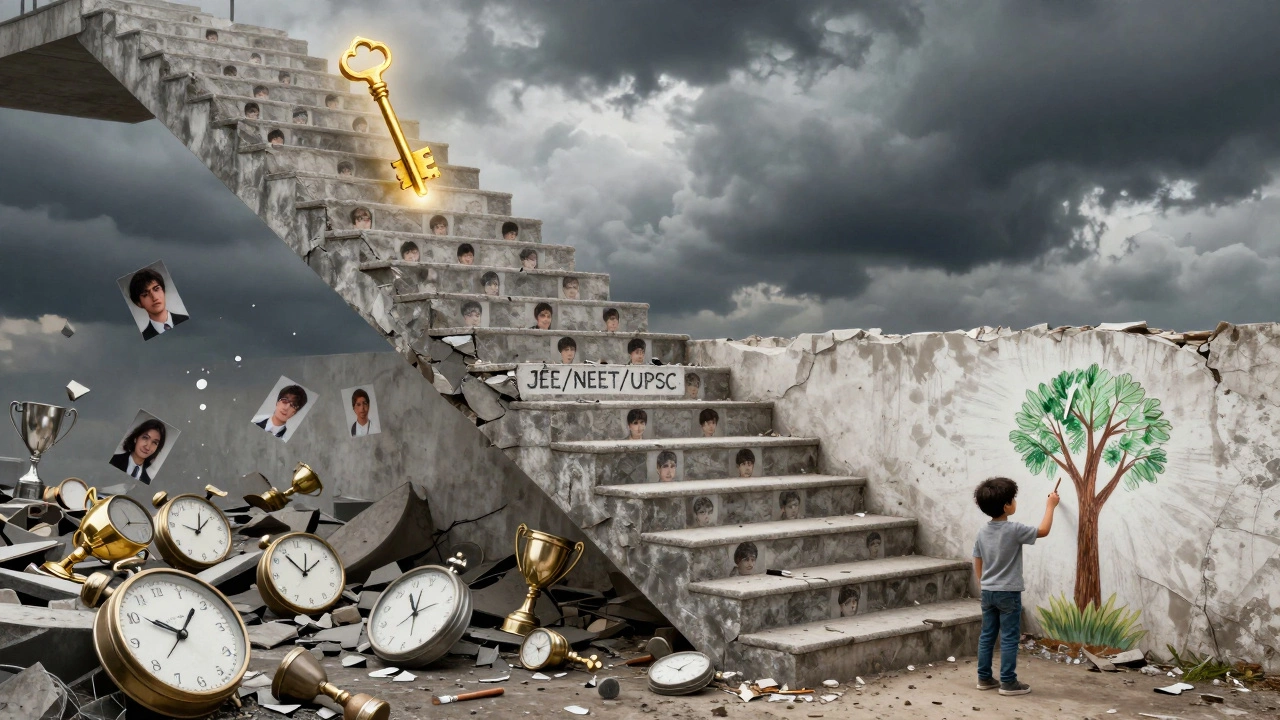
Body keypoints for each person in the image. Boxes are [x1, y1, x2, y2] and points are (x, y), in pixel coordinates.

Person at [972, 476, 1059, 696]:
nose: (1015, 502)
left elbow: (977, 558)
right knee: (1010, 637)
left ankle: (984, 678)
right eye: (1013, 499)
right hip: (1008, 592)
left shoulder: (982, 532)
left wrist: (983, 582)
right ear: (1006, 506)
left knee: (987, 636)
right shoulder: (1014, 529)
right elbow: (1044, 530)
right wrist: (1051, 505)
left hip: (988, 592)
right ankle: (1008, 682)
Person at [129, 267, 188, 340]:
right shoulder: (145, 337)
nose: (154, 297)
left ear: (163, 291)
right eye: (145, 294)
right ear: (138, 303)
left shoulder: (185, 319)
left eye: (156, 289)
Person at [109, 418, 166, 484]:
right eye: (145, 437)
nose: (147, 447)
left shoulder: (147, 480)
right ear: (136, 438)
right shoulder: (113, 460)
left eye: (154, 442)